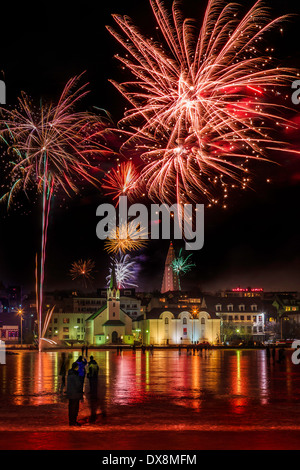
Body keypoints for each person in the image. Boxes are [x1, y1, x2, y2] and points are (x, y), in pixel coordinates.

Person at [87, 356, 100, 423]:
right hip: (95, 376)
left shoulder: (90, 364)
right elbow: (98, 368)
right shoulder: (95, 363)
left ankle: (92, 391)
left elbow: (89, 370)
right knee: (94, 384)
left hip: (92, 376)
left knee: (91, 384)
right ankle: (94, 391)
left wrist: (89, 375)